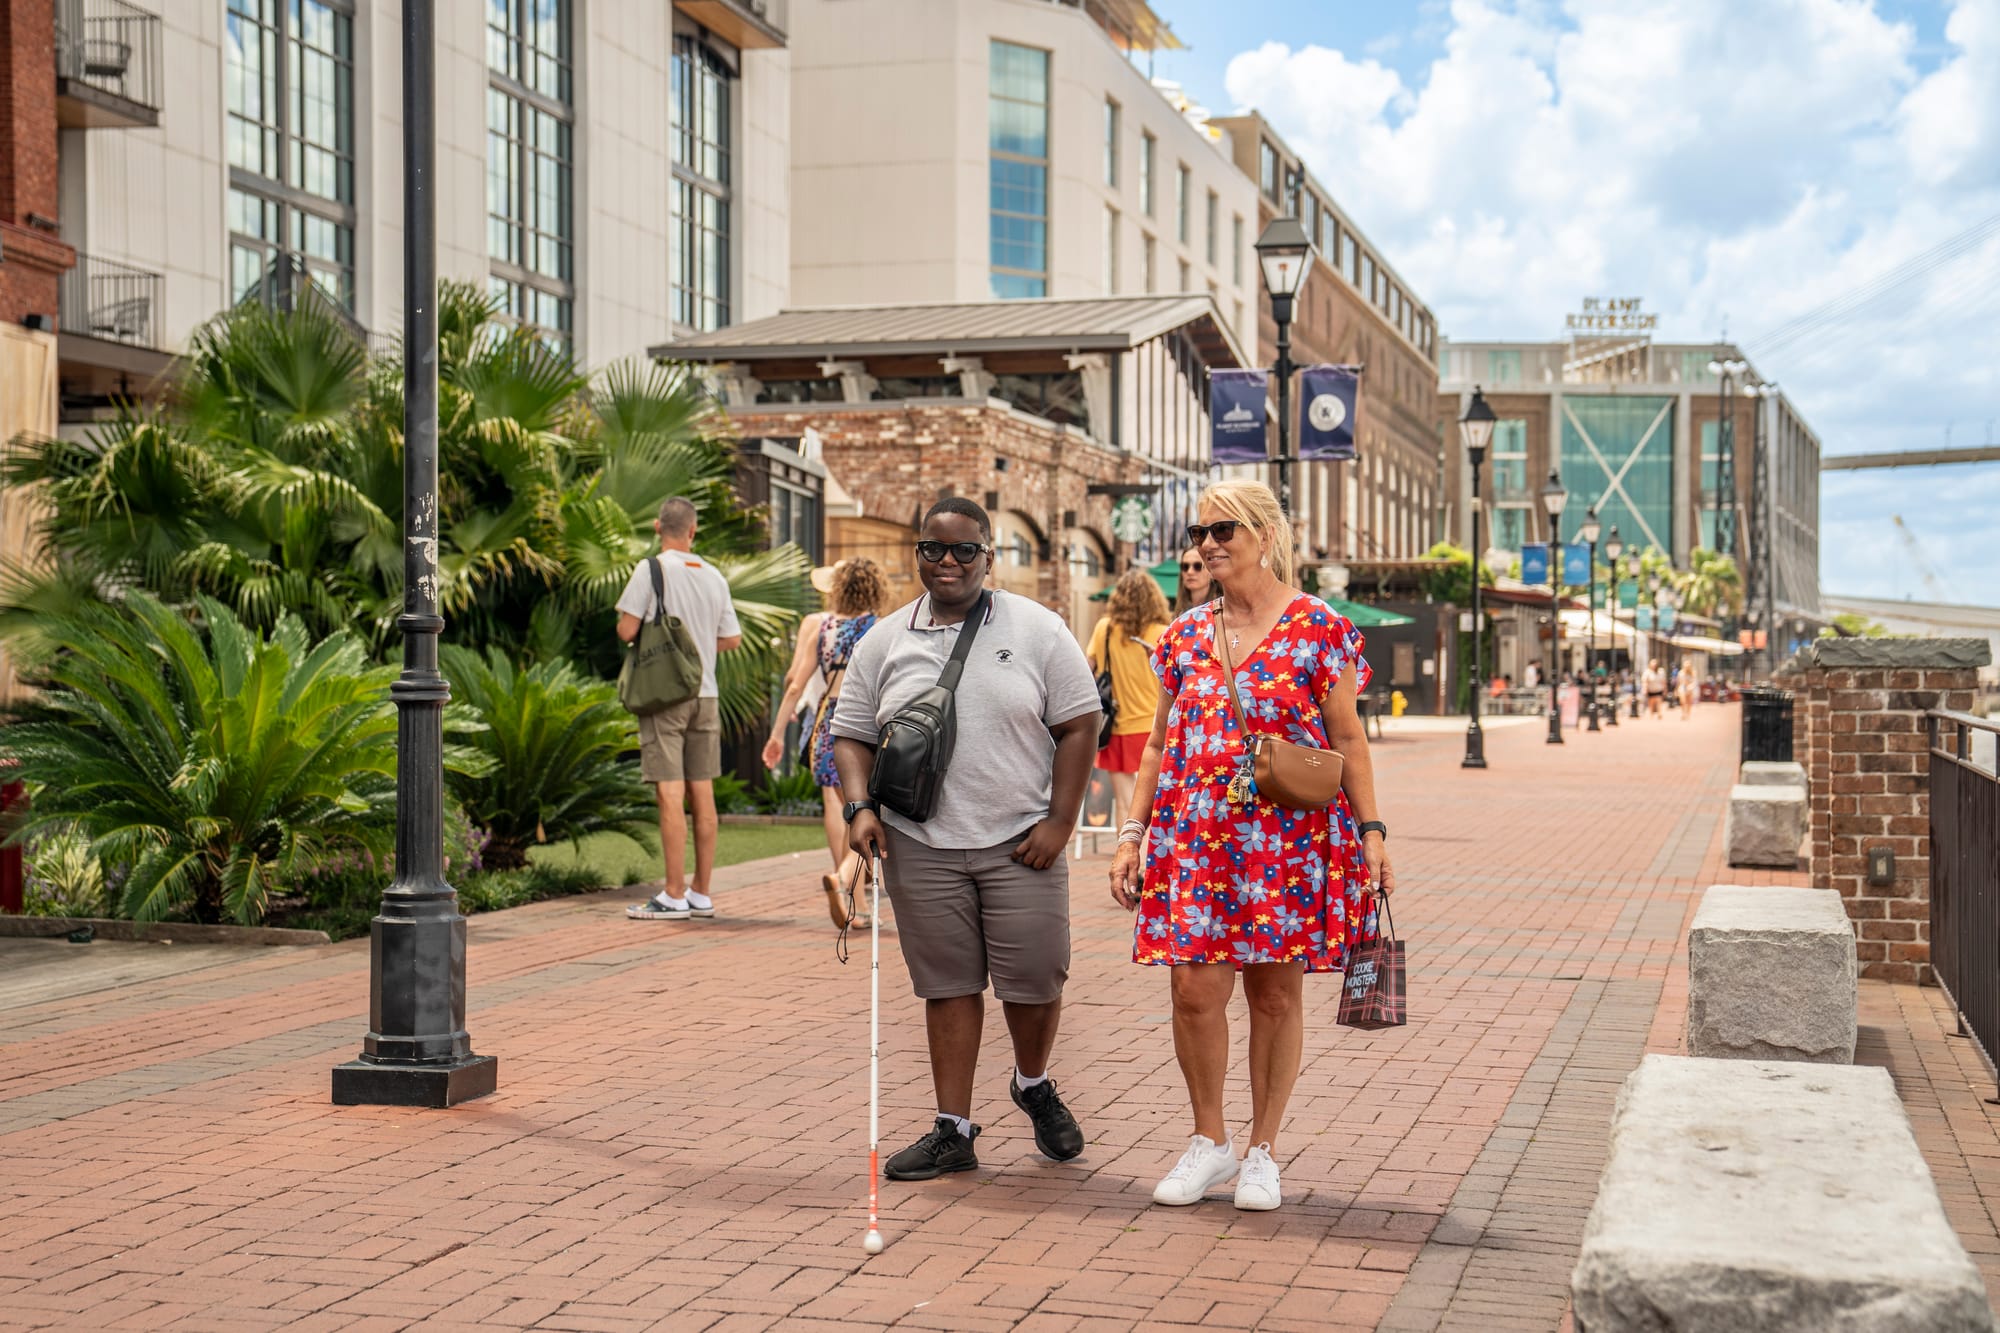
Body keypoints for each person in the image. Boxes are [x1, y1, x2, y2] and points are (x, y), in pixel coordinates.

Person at [1109, 479, 1395, 1213]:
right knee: (1193, 988)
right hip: (1194, 838)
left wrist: (1370, 832)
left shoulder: (1317, 626)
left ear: (1264, 534)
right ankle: (1210, 1140)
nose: (1209, 542)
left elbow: (1348, 737)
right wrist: (1132, 834)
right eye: (1201, 530)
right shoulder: (1183, 635)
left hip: (1285, 843)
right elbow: (1158, 746)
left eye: (1225, 529)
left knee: (1274, 993)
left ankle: (1264, 1149)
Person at [832, 497, 1102, 1181]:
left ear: (989, 554)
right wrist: (859, 808)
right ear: (917, 554)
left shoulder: (1037, 628)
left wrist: (1059, 822)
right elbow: (851, 733)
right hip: (921, 842)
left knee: (1035, 980)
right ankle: (953, 1129)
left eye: (964, 550)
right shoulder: (885, 639)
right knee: (947, 986)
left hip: (1021, 839)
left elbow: (1080, 723)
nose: (948, 562)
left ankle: (1033, 1084)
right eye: (933, 549)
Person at [617, 497, 742, 921]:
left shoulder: (650, 570)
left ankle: (672, 894)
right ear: (692, 531)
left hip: (664, 695)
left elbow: (626, 629)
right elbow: (731, 639)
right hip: (705, 694)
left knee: (669, 793)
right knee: (701, 790)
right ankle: (701, 892)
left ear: (657, 527)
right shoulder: (713, 576)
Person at [763, 557, 888, 928]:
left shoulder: (822, 628)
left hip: (825, 725)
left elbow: (795, 685)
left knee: (841, 810)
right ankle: (847, 881)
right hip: (863, 726)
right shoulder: (879, 629)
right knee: (873, 813)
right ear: (874, 588)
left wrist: (775, 735)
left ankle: (854, 899)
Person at [1088, 568, 1172, 824]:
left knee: (1125, 805)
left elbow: (1085, 670)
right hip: (1155, 728)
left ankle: (1125, 859)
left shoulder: (1105, 629)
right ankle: (1149, 859)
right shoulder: (1163, 633)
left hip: (1118, 728)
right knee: (1156, 804)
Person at [1173, 546, 1214, 616]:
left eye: (1197, 566)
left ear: (1211, 571)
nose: (1190, 572)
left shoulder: (1221, 609)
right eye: (1185, 566)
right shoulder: (1178, 610)